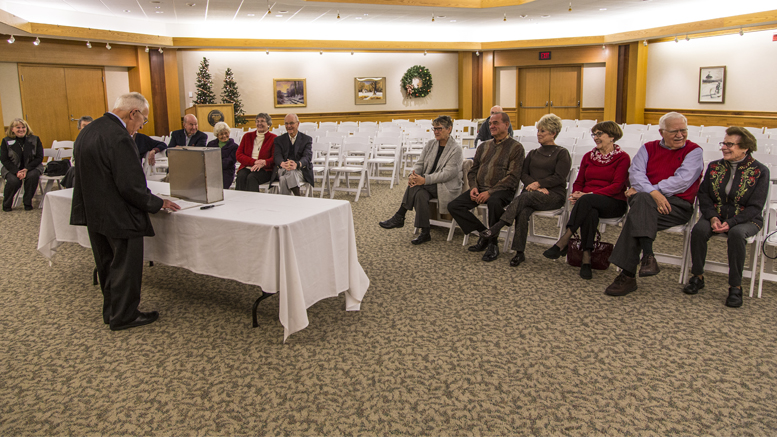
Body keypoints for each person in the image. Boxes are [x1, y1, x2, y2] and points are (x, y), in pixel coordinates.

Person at [70, 92, 180, 331]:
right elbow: (130, 184)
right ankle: (125, 316)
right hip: (119, 214)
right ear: (133, 113)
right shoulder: (119, 137)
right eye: (143, 121)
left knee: (107, 264)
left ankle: (112, 311)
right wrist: (157, 203)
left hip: (94, 211)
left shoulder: (88, 130)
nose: (141, 127)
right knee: (125, 267)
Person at [604, 111, 704, 296]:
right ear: (661, 132)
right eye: (674, 131)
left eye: (683, 130)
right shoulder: (648, 148)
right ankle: (647, 256)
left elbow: (683, 180)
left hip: (676, 205)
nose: (680, 135)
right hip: (647, 200)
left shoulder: (694, 151)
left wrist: (653, 191)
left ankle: (628, 276)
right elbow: (636, 174)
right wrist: (652, 194)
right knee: (642, 202)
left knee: (637, 213)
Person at [683, 127, 769, 308]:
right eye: (724, 143)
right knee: (698, 230)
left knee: (737, 235)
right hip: (717, 214)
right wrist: (713, 217)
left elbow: (756, 206)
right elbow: (704, 195)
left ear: (745, 148)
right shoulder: (714, 166)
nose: (724, 148)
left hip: (746, 219)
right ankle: (697, 276)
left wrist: (731, 223)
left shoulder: (760, 171)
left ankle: (735, 287)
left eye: (730, 144)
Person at [541, 121, 630, 279]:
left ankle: (564, 240)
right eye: (594, 134)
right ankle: (586, 258)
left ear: (612, 136)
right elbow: (579, 181)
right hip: (588, 202)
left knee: (587, 202)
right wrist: (576, 194)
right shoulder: (589, 156)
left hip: (613, 201)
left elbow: (617, 186)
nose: (595, 137)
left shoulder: (622, 158)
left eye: (599, 134)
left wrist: (587, 194)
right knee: (590, 211)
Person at [479, 113, 571, 265]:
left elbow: (559, 177)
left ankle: (497, 227)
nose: (538, 134)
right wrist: (535, 186)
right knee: (522, 211)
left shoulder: (562, 153)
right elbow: (523, 174)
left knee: (524, 198)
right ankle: (519, 252)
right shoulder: (534, 153)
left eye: (543, 131)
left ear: (553, 133)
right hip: (532, 193)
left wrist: (539, 184)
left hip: (553, 195)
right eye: (538, 131)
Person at [447, 111, 524, 261]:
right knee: (454, 206)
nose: (491, 126)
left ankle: (493, 244)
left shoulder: (516, 148)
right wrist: (474, 186)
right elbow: (473, 170)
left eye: (495, 123)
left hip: (502, 190)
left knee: (494, 202)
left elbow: (513, 177)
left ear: (506, 125)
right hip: (480, 188)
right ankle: (485, 233)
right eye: (490, 124)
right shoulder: (483, 146)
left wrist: (490, 192)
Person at [379, 115, 464, 245]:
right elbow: (420, 163)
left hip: (446, 186)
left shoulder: (456, 149)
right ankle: (425, 232)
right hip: (427, 184)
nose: (436, 131)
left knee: (417, 186)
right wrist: (413, 175)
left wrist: (424, 180)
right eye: (434, 128)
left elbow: (447, 174)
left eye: (439, 128)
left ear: (449, 129)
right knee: (420, 194)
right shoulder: (430, 144)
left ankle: (400, 216)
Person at [1, 118, 44, 211]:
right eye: (18, 127)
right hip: (11, 168)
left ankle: (28, 202)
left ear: (26, 128)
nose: (21, 129)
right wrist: (16, 171)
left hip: (32, 167)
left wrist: (26, 169)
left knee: (32, 176)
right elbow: (4, 159)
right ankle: (7, 204)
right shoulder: (6, 141)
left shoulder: (35, 139)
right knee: (13, 181)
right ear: (12, 129)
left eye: (23, 127)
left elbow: (39, 157)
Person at [272, 114, 313, 196]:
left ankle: (287, 203)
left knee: (284, 179)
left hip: (300, 170)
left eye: (291, 123)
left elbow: (307, 157)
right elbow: (277, 155)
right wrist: (282, 163)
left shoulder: (306, 139)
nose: (289, 126)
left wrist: (297, 164)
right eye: (286, 124)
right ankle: (298, 197)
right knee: (289, 173)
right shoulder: (279, 140)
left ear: (298, 124)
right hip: (283, 169)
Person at [235, 113, 277, 191]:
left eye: (262, 121)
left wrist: (264, 162)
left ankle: (253, 202)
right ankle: (240, 201)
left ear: (268, 124)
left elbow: (275, 158)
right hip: (248, 166)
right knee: (241, 176)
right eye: (257, 121)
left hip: (265, 169)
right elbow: (239, 154)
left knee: (252, 177)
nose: (259, 123)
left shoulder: (274, 138)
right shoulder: (247, 136)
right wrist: (254, 162)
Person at [62, 116, 94, 188]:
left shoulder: (98, 140)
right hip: (82, 167)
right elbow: (74, 159)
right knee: (74, 171)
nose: (87, 128)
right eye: (84, 126)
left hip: (95, 168)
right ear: (79, 129)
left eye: (89, 125)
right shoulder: (77, 142)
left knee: (74, 172)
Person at [205, 121, 239, 189]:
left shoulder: (234, 146)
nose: (224, 136)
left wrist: (215, 163)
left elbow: (230, 162)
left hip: (226, 172)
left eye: (226, 133)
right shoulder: (211, 144)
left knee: (221, 187)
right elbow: (207, 158)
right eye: (221, 134)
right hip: (212, 171)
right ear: (217, 135)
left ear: (229, 133)